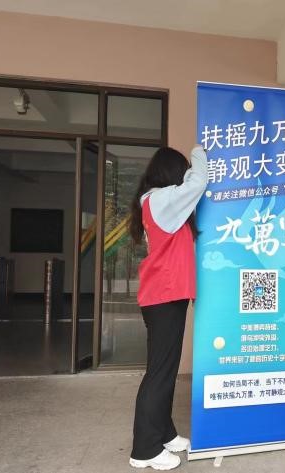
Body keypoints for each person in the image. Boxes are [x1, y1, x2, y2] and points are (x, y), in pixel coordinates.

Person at [128, 145, 207, 470]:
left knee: (165, 370)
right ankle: (145, 449)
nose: (186, 175)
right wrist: (199, 150)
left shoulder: (156, 200)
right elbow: (199, 181)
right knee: (160, 373)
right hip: (164, 296)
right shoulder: (161, 199)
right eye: (182, 169)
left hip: (164, 295)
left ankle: (165, 433)